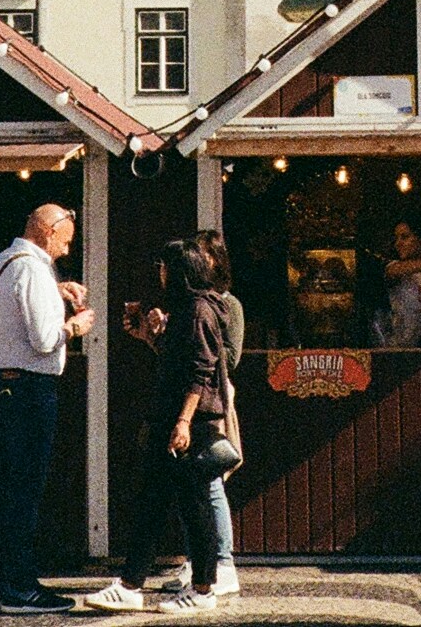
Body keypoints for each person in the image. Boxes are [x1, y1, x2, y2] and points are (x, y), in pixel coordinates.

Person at [83, 242, 231, 614]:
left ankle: (203, 590)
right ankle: (130, 585)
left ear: (178, 271)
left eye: (163, 266)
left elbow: (200, 371)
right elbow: (177, 362)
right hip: (171, 418)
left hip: (189, 423)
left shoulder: (199, 310)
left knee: (194, 507)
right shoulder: (186, 309)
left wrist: (183, 422)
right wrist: (149, 337)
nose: (160, 273)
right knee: (151, 503)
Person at [0, 203, 95, 615]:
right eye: (65, 241)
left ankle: (9, 581)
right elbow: (45, 340)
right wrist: (75, 327)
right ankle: (19, 587)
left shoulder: (4, 261)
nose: (67, 250)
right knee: (24, 490)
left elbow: (9, 312)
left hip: (5, 383)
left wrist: (56, 291)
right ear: (48, 232)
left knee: (12, 488)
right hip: (27, 388)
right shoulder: (31, 269)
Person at [187, 232, 248, 603]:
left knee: (211, 480)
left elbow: (232, 356)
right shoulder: (188, 303)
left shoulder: (229, 305)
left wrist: (200, 342)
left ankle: (223, 564)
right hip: (190, 398)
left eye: (204, 255)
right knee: (191, 483)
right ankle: (198, 560)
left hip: (214, 397)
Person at [375, 221, 421, 348]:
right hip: (398, 345)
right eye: (396, 238)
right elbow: (394, 271)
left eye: (405, 237)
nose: (398, 243)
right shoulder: (395, 267)